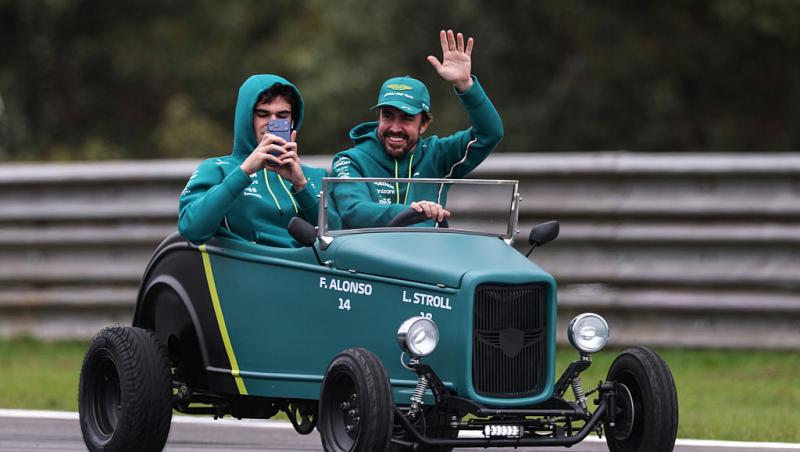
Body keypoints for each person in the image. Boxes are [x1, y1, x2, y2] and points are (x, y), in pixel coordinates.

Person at [331, 29, 503, 229]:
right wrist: (414, 211)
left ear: (424, 124)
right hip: (368, 257)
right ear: (378, 117)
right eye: (387, 116)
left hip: (425, 254)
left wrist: (465, 84)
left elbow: (490, 134)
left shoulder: (439, 155)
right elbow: (353, 211)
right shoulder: (350, 160)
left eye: (406, 119)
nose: (395, 128)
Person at [179, 74, 337, 247]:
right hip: (249, 269)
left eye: (282, 115)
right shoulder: (216, 169)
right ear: (247, 118)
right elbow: (191, 230)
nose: (272, 123)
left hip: (304, 270)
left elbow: (338, 241)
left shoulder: (314, 176)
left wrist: (301, 186)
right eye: (263, 114)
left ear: (293, 120)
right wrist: (243, 171)